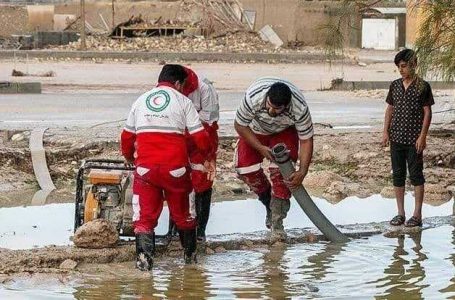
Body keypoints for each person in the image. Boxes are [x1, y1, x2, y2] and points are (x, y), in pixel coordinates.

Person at [120, 64, 212, 271]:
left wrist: (129, 158)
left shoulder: (141, 100)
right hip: (176, 171)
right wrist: (205, 157)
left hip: (145, 171)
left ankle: (144, 266)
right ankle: (190, 262)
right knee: (184, 216)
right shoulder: (184, 102)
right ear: (178, 84)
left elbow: (126, 138)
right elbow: (201, 138)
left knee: (144, 219)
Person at [234, 77, 314, 240]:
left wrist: (303, 170)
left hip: (284, 131)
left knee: (284, 177)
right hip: (255, 130)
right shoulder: (253, 97)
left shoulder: (299, 108)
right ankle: (269, 203)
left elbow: (306, 139)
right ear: (266, 98)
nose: (271, 111)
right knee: (245, 169)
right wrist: (260, 148)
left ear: (286, 106)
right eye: (269, 106)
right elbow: (240, 125)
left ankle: (277, 226)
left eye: (277, 109)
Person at [382, 49, 434, 227]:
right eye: (399, 67)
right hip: (396, 137)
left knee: (416, 175)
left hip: (414, 140)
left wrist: (423, 136)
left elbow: (427, 112)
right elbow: (390, 109)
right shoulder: (395, 85)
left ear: (414, 65)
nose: (401, 70)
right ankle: (400, 213)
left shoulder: (423, 86)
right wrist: (385, 132)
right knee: (397, 175)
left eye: (404, 66)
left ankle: (417, 215)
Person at [181, 66, 219, 241]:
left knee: (202, 180)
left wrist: (208, 155)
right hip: (180, 134)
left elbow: (209, 122)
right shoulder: (169, 87)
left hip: (203, 134)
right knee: (178, 179)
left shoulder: (205, 88)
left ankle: (200, 231)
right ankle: (178, 228)